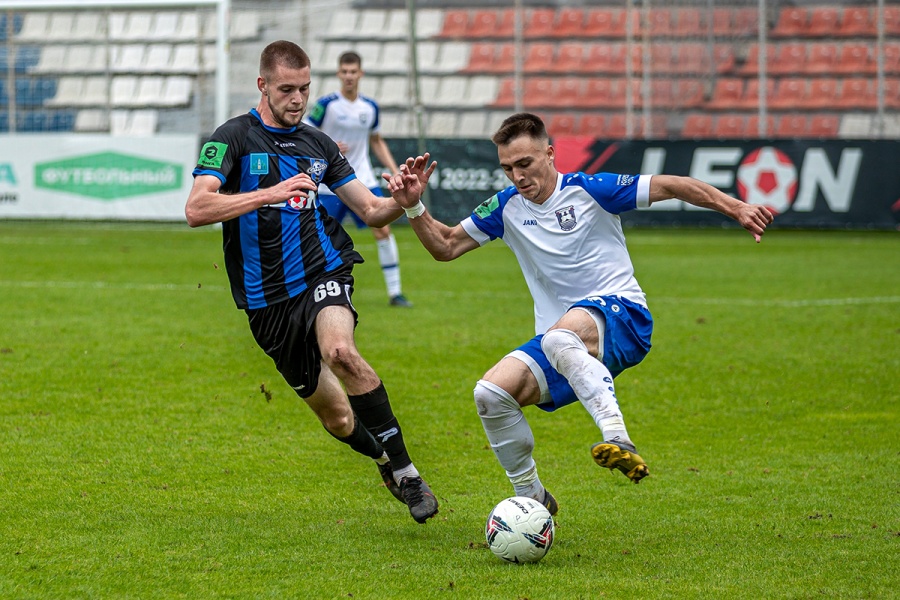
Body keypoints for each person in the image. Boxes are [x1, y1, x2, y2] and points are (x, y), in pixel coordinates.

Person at [385, 112, 773, 515]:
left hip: (623, 315)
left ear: (549, 154)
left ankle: (617, 437)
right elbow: (446, 246)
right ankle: (533, 499)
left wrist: (736, 208)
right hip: (563, 343)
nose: (517, 176)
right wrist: (413, 207)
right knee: (491, 394)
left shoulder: (590, 189)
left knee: (559, 338)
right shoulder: (506, 207)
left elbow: (672, 185)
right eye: (507, 168)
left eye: (525, 163)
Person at [184, 40, 438, 524]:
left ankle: (408, 473)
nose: (298, 98)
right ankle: (384, 460)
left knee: (341, 352)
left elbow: (370, 209)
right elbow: (197, 208)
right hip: (265, 301)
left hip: (322, 269)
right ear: (262, 85)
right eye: (286, 89)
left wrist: (405, 202)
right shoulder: (232, 138)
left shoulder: (318, 145)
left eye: (304, 87)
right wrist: (268, 194)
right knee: (338, 419)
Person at [304, 50, 412, 308]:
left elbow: (376, 140)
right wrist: (328, 145)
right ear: (338, 73)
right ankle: (311, 290)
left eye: (353, 71)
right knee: (320, 238)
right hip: (329, 183)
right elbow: (304, 131)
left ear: (360, 73)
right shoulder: (326, 104)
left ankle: (395, 292)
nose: (349, 76)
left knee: (383, 229)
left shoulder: (370, 107)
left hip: (362, 178)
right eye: (344, 71)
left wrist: (393, 168)